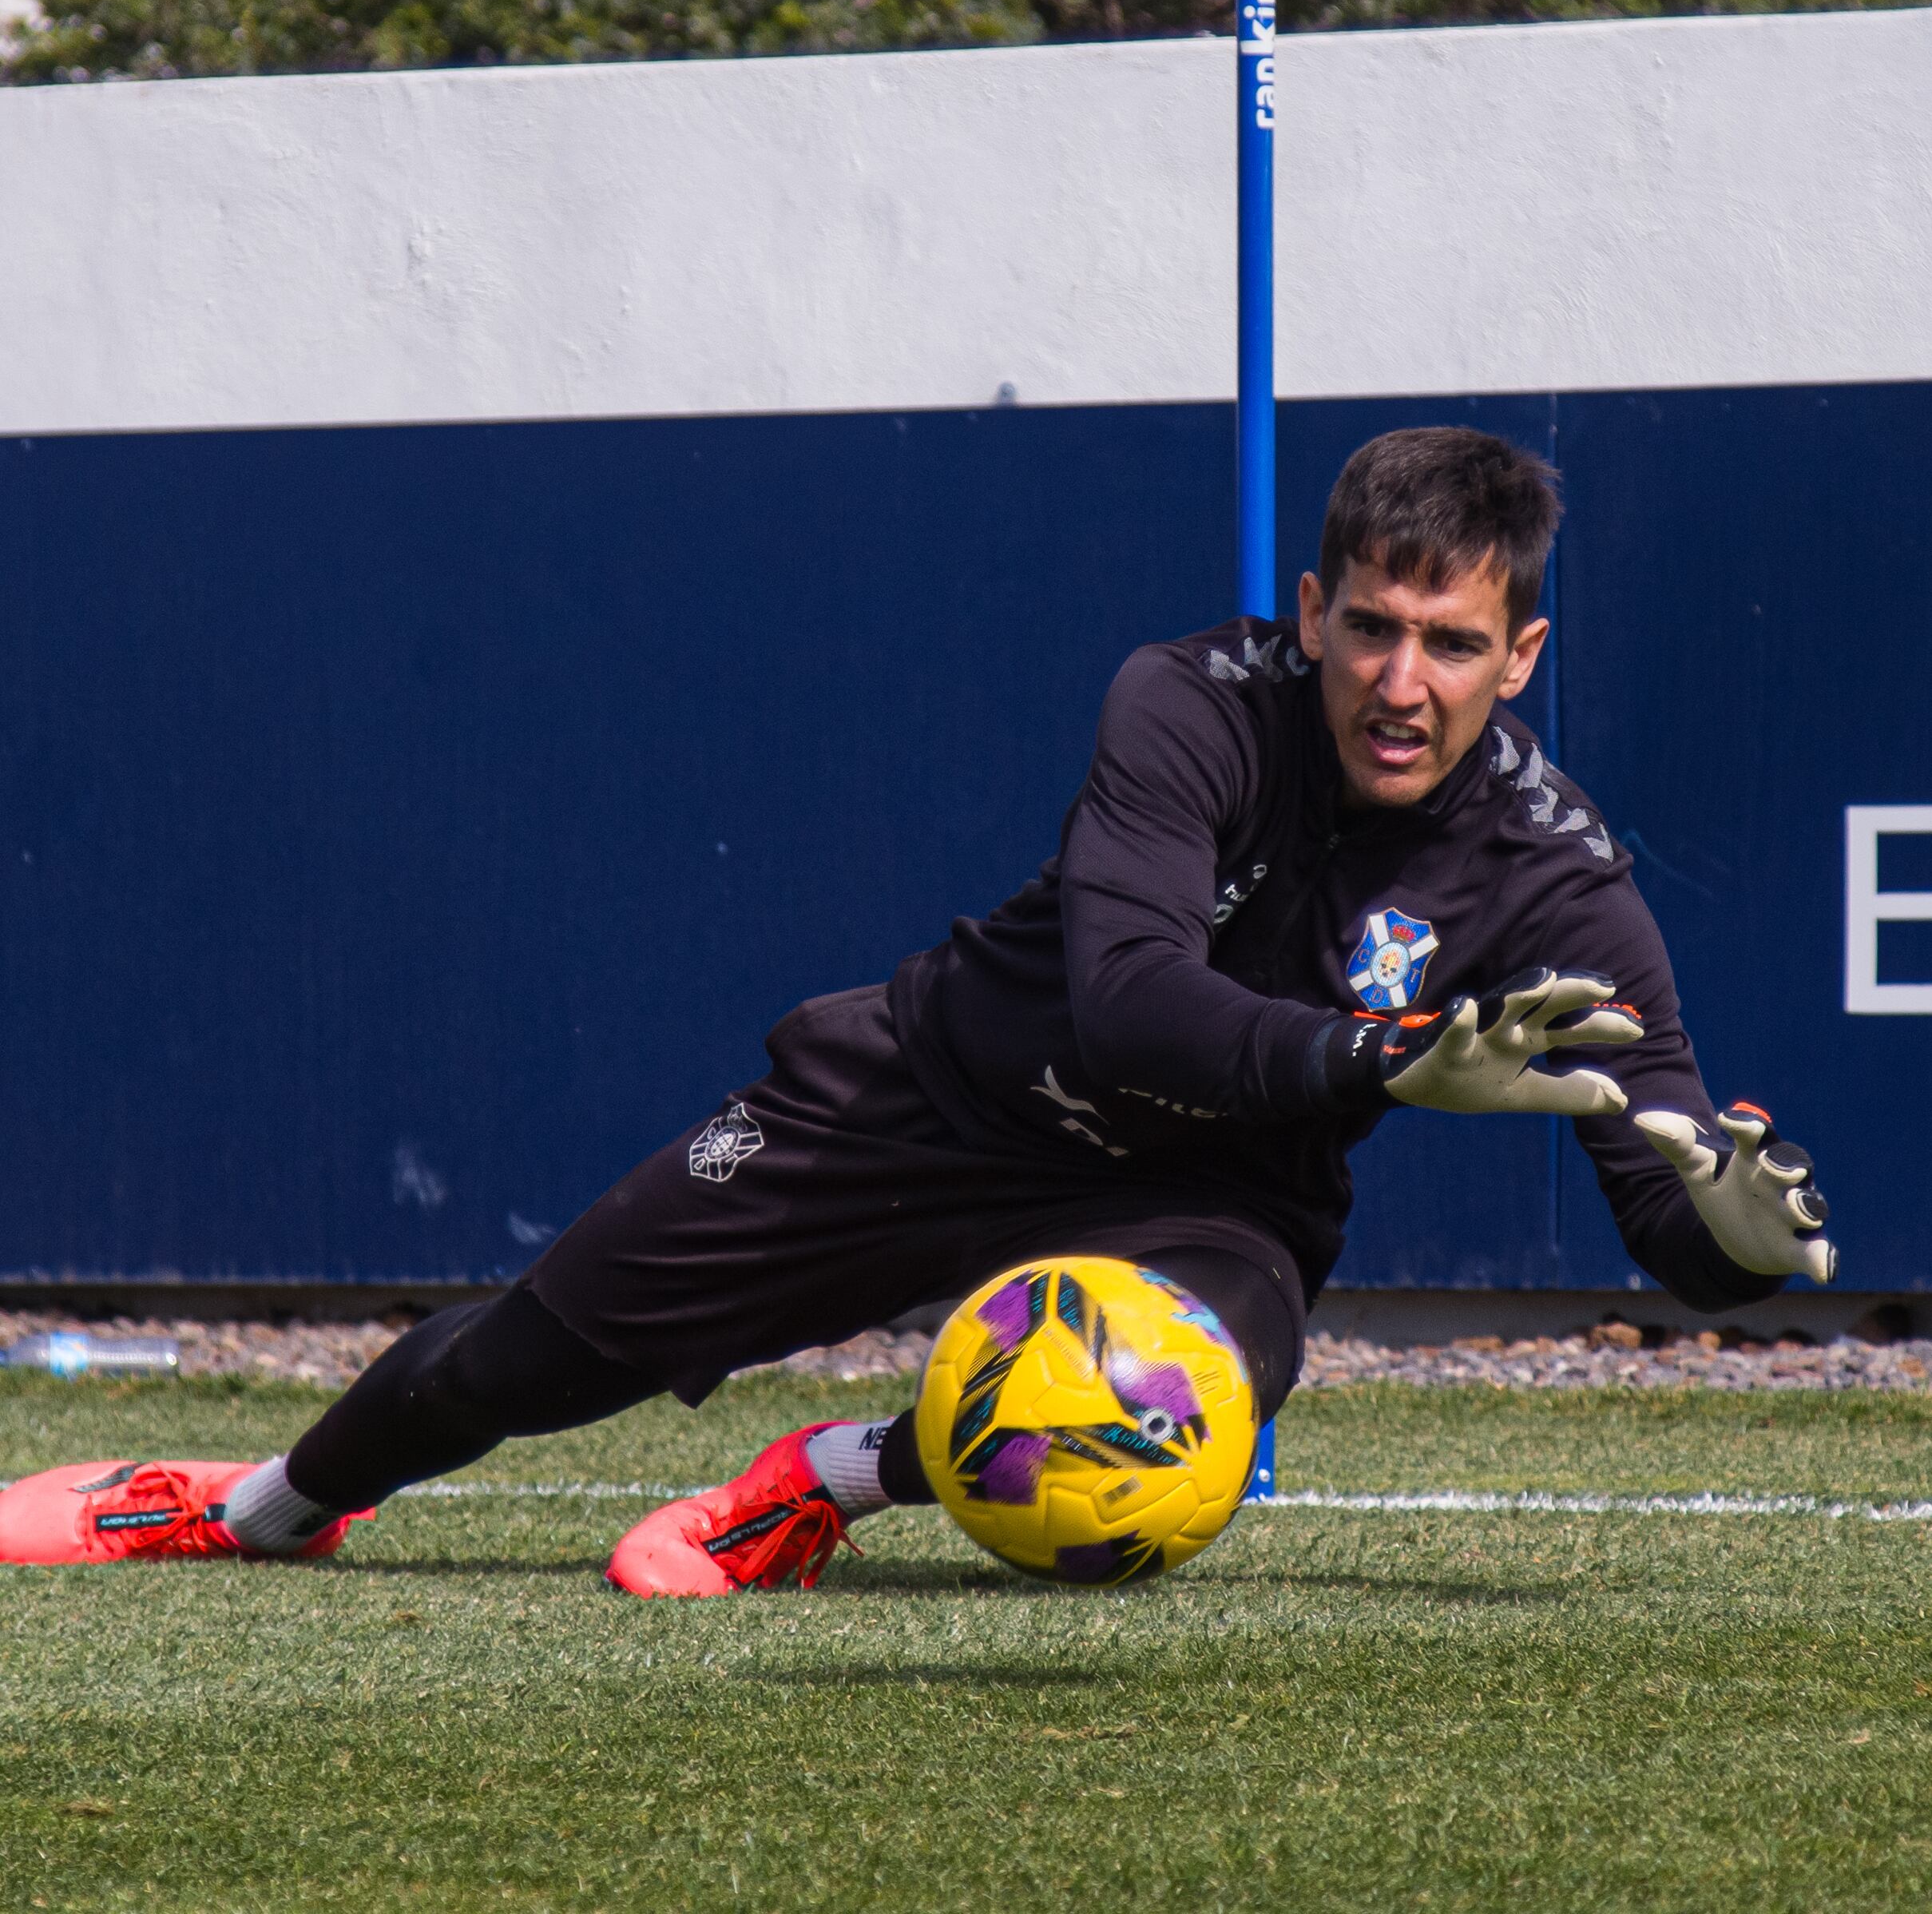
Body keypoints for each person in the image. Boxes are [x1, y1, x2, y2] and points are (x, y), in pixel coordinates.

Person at [0, 427, 1836, 1585]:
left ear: (1520, 657)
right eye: (1371, 625)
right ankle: (256, 1508)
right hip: (934, 1096)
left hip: (1206, 1198)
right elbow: (1124, 1004)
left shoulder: (1556, 878)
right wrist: (1384, 1060)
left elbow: (1664, 1194)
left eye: (1452, 644)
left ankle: (826, 1479)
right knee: (520, 1362)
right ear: (1313, 611)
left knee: (1199, 1382)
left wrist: (1731, 1249)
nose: (1400, 679)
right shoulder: (1190, 701)